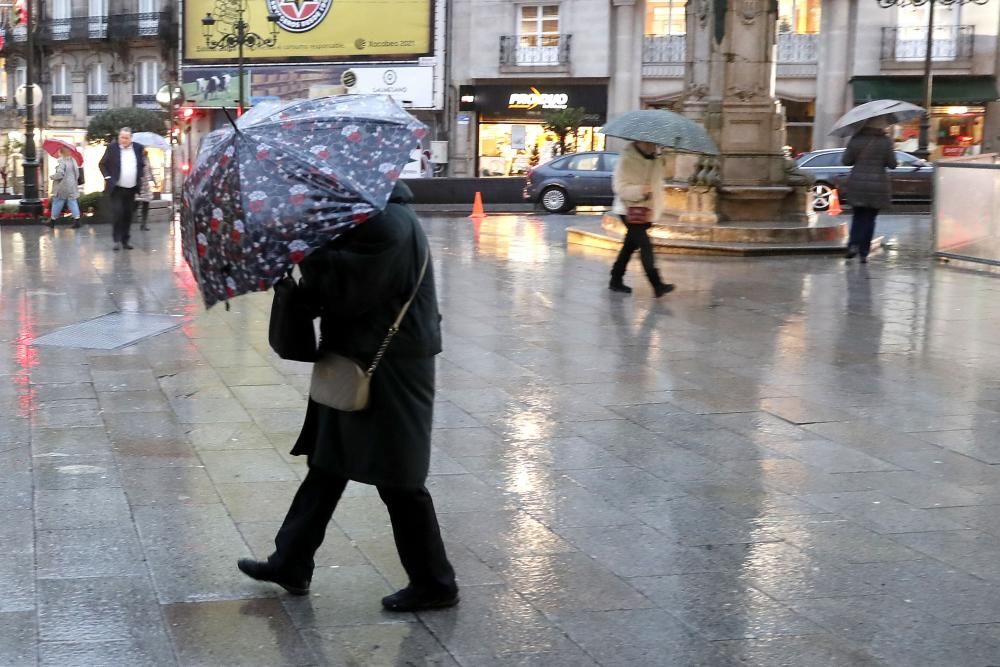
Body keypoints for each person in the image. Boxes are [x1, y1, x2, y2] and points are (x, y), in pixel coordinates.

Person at [237, 181, 459, 613]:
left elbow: (347, 290)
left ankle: (435, 582)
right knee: (328, 462)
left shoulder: (387, 224)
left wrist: (302, 254)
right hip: (358, 356)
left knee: (400, 479)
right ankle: (291, 562)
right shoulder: (369, 218)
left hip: (389, 365)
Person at [609, 140, 674, 297]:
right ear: (641, 142)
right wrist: (640, 190)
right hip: (628, 209)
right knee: (645, 245)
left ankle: (615, 280)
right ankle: (657, 284)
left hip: (645, 210)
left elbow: (668, 174)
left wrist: (669, 156)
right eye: (651, 143)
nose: (654, 146)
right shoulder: (626, 159)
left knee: (629, 246)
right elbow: (619, 187)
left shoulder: (655, 159)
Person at [843, 119, 897, 263]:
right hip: (877, 185)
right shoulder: (886, 141)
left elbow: (846, 161)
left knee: (857, 216)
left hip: (857, 183)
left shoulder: (855, 139)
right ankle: (863, 252)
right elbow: (893, 164)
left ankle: (853, 245)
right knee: (870, 219)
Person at [99, 127, 146, 251]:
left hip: (131, 188)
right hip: (117, 188)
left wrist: (139, 176)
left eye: (126, 138)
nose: (123, 140)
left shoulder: (138, 148)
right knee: (118, 213)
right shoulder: (112, 148)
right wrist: (108, 178)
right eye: (121, 137)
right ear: (119, 137)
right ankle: (116, 240)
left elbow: (141, 164)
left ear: (131, 138)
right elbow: (102, 164)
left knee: (127, 215)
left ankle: (125, 240)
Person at [48, 147, 81, 229]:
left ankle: (52, 221)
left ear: (61, 152)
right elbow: (77, 174)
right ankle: (77, 221)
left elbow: (60, 174)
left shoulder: (62, 161)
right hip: (72, 185)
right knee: (73, 202)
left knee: (57, 202)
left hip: (62, 186)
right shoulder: (73, 161)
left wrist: (52, 177)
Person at [135, 151, 156, 231]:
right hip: (138, 184)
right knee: (134, 205)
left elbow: (150, 169)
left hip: (146, 185)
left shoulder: (147, 157)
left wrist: (154, 180)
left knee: (146, 204)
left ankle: (143, 224)